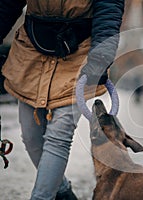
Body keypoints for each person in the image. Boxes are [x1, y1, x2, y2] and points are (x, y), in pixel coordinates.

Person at [0, 0, 124, 199]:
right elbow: (7, 5)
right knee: (31, 135)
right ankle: (62, 191)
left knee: (60, 133)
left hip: (80, 51)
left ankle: (41, 196)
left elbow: (109, 10)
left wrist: (100, 58)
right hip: (32, 49)